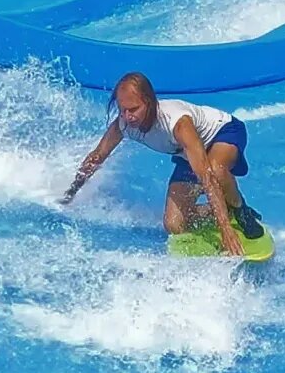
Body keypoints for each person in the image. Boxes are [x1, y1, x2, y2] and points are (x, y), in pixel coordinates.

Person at [60, 72, 264, 256]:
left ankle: (240, 210)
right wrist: (71, 192)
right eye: (123, 110)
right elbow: (97, 156)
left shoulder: (177, 123)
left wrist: (226, 232)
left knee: (216, 170)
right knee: (174, 224)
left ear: (149, 102)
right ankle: (225, 209)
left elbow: (207, 177)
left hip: (222, 133)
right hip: (189, 154)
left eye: (133, 109)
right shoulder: (124, 124)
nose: (128, 117)